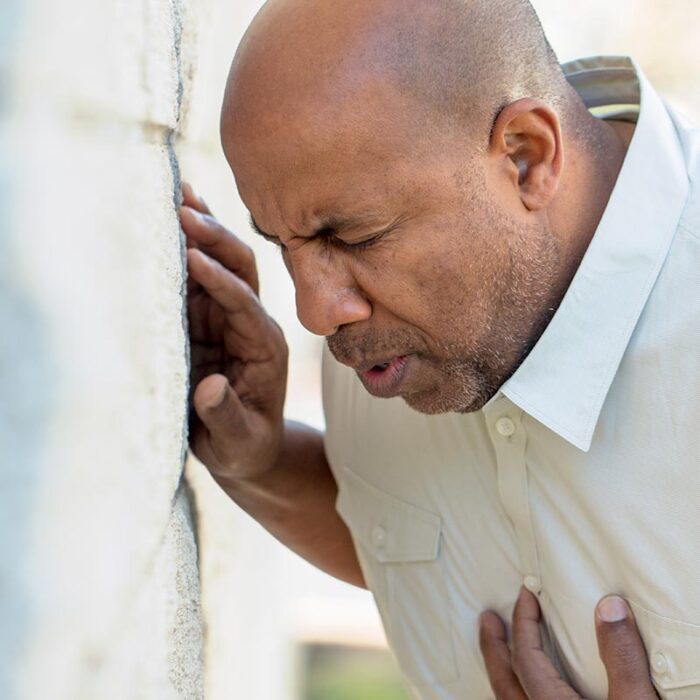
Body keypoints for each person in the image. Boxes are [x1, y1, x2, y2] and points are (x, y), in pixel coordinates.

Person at [180, 0, 700, 697]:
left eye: (353, 237)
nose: (314, 312)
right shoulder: (398, 339)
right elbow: (417, 534)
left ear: (525, 157)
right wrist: (265, 460)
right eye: (283, 245)